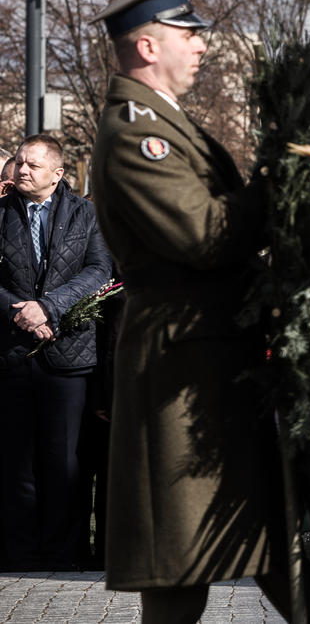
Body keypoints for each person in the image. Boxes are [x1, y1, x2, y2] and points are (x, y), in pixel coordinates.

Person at [89, 0, 310, 622]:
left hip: (210, 353)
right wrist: (278, 177)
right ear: (145, 46)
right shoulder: (136, 130)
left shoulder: (166, 121)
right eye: (185, 32)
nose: (200, 46)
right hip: (182, 362)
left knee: (267, 542)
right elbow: (204, 233)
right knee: (179, 560)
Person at [0, 134, 112, 571]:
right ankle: (20, 553)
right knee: (16, 462)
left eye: (32, 164)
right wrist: (22, 312)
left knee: (65, 461)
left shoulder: (86, 214)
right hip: (11, 355)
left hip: (68, 356)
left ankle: (64, 553)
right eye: (19, 163)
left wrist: (48, 307)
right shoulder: (2, 213)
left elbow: (99, 269)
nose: (21, 170)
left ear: (57, 174)